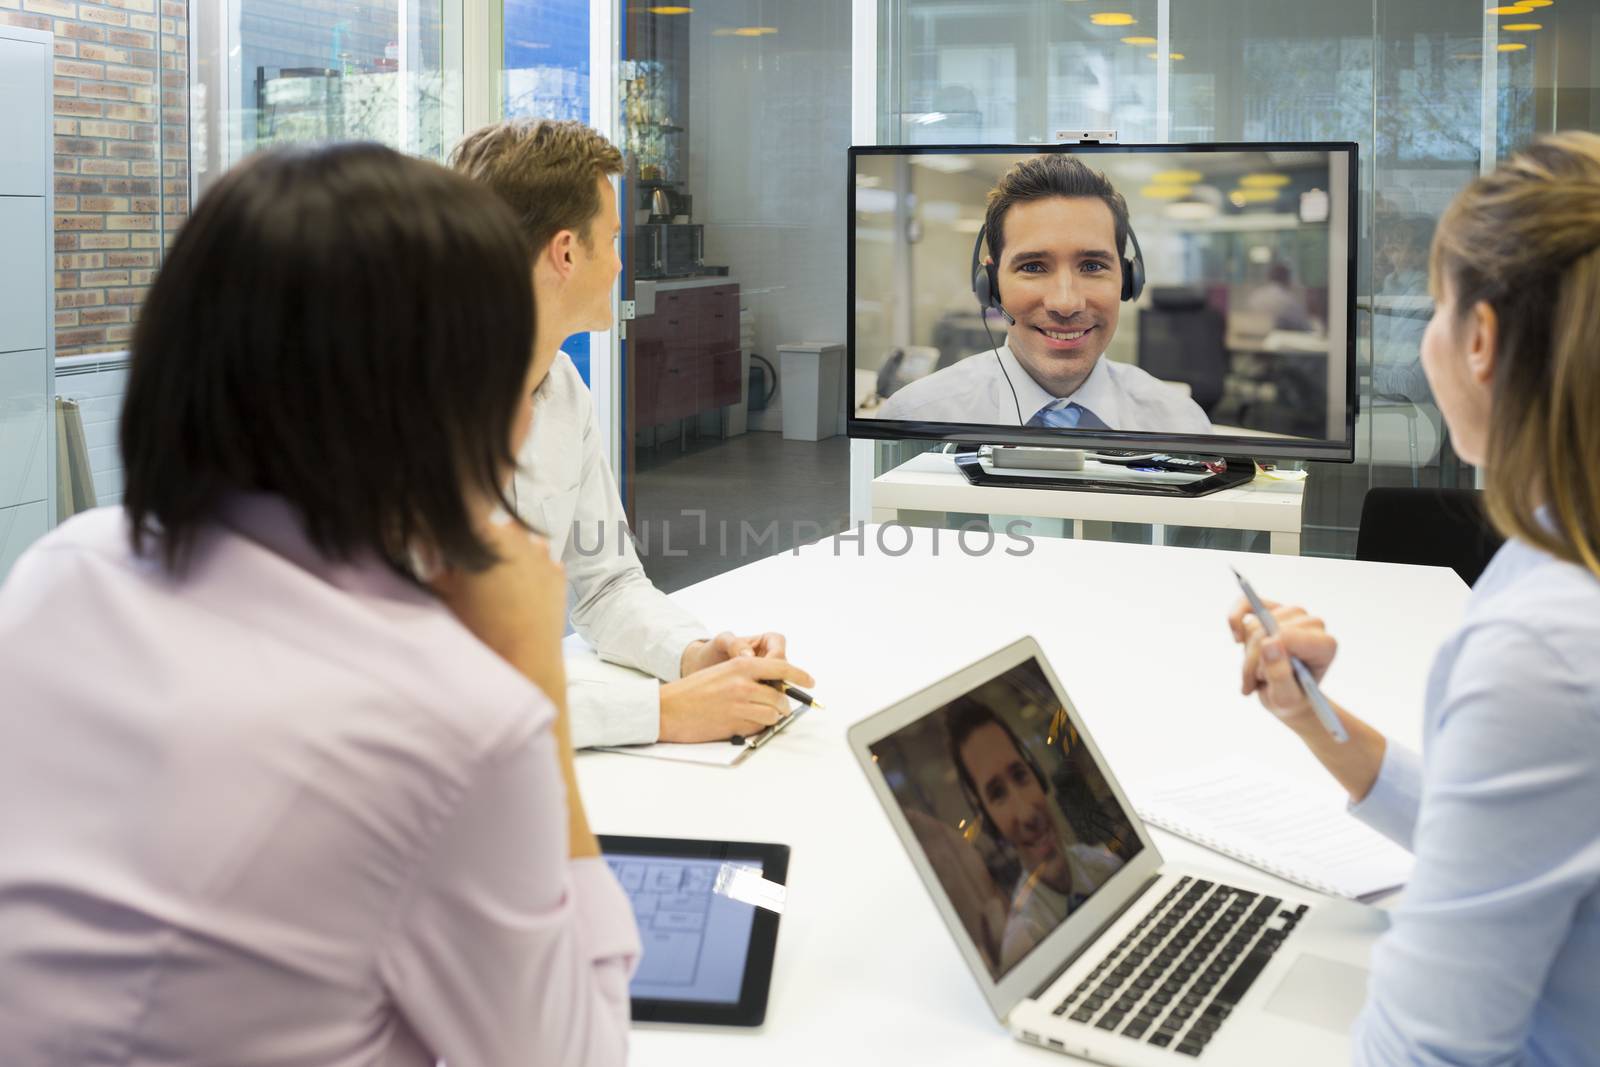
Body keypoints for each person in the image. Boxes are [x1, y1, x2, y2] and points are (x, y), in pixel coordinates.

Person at [0, 144, 638, 1065]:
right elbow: (575, 1054)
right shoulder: (456, 723)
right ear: (434, 389)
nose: (527, 408)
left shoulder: (60, 576)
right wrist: (528, 681)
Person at [1228, 132, 1600, 1065]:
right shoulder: (1556, 555)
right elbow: (1521, 832)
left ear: (1478, 340)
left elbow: (1426, 1051)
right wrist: (1319, 723)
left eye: (1435, 307)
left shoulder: (1544, 636)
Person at [449, 119, 815, 747]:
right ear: (566, 252)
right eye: (614, 239)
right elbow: (433, 687)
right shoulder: (401, 414)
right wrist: (662, 713)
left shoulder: (561, 387)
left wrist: (696, 656)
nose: (622, 262)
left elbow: (607, 585)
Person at [877, 154, 1211, 433]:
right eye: (1033, 267)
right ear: (990, 285)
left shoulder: (1181, 424)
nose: (1066, 303)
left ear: (1127, 280)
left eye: (1093, 266)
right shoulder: (916, 418)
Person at [949, 700, 1124, 972]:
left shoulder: (1108, 866)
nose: (1027, 814)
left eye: (1020, 775)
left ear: (1039, 777)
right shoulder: (1021, 950)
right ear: (990, 824)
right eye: (997, 794)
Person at [1244, 260, 1316, 332]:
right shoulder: (1288, 301)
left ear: (1269, 277)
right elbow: (1306, 326)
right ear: (1287, 279)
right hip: (1282, 340)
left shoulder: (1255, 296)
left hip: (1255, 338)